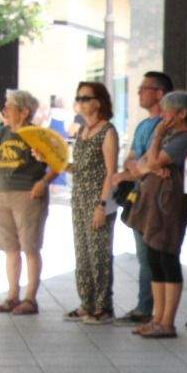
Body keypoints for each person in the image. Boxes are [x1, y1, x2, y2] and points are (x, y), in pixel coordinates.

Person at [0, 89, 66, 316]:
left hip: (28, 193)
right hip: (3, 192)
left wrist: (44, 182)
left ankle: (30, 298)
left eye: (9, 107)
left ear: (24, 111)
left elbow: (57, 162)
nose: (4, 110)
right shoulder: (2, 132)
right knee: (10, 247)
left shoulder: (37, 134)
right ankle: (12, 296)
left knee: (30, 247)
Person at [127, 90, 187, 338]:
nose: (164, 115)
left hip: (170, 204)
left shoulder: (184, 138)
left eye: (168, 111)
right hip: (154, 202)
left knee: (167, 256)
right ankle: (157, 317)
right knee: (154, 257)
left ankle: (167, 321)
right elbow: (141, 165)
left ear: (182, 114)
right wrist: (153, 165)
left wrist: (155, 154)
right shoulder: (169, 135)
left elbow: (154, 161)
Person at [116, 72, 175, 325]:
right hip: (138, 194)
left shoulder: (167, 127)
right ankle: (146, 306)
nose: (139, 92)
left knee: (154, 253)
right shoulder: (142, 125)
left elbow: (151, 161)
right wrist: (137, 167)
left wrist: (140, 167)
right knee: (143, 254)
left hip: (158, 196)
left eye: (144, 88)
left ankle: (152, 310)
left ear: (160, 93)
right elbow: (131, 160)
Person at [66, 81, 119, 324]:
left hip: (99, 198)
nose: (80, 102)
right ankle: (86, 302)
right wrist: (53, 161)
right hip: (79, 197)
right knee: (82, 251)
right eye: (79, 98)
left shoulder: (107, 131)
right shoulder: (83, 132)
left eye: (85, 98)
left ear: (98, 102)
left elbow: (110, 172)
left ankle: (103, 306)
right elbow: (79, 168)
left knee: (99, 251)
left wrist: (102, 205)